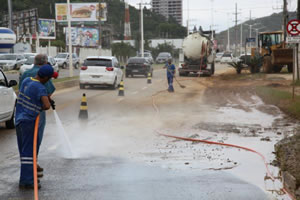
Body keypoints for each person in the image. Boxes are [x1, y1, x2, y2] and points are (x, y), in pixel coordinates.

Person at [16, 65, 56, 189]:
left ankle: (26, 177)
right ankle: (27, 181)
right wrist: (45, 103)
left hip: (19, 120)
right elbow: (46, 106)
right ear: (45, 77)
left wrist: (45, 99)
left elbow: (31, 95)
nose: (49, 80)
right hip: (29, 122)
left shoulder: (27, 80)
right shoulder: (40, 88)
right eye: (49, 78)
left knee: (24, 151)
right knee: (29, 152)